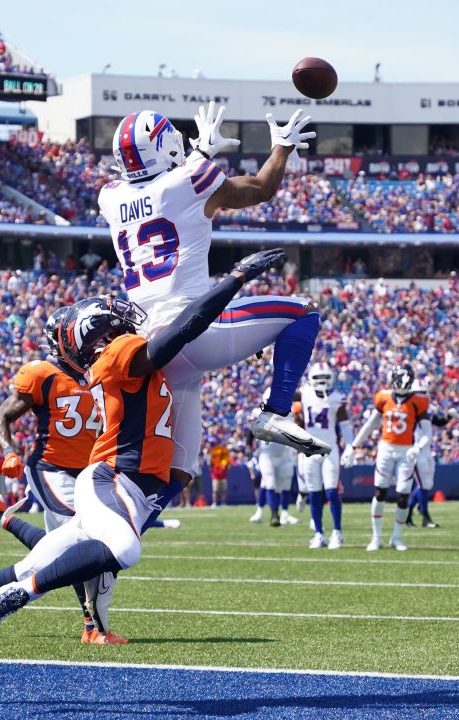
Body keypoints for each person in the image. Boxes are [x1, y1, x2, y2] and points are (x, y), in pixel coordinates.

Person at [0, 249, 287, 693]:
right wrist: (235, 279)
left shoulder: (113, 355)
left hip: (124, 485)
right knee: (124, 551)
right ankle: (26, 594)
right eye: (112, 314)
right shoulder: (119, 352)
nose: (123, 316)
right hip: (112, 479)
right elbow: (186, 328)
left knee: (25, 566)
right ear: (101, 331)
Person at [98, 102, 330, 497]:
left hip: (150, 347)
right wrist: (281, 148)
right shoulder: (187, 180)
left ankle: (114, 539)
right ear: (163, 146)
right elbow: (261, 189)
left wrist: (201, 154)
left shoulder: (110, 196)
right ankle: (274, 412)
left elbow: (168, 188)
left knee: (179, 472)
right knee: (304, 313)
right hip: (195, 329)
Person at [0, 305, 125, 644]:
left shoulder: (97, 371)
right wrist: (10, 451)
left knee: (65, 544)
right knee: (84, 539)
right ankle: (92, 626)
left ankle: (0, 517)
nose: (91, 345)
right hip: (51, 469)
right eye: (84, 338)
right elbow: (1, 416)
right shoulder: (41, 372)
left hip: (89, 472)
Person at [346, 365, 430, 551]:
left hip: (406, 451)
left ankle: (397, 537)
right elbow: (370, 424)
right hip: (386, 448)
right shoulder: (383, 398)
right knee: (380, 492)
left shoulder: (418, 400)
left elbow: (427, 433)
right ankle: (376, 538)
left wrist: (418, 447)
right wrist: (354, 446)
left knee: (403, 495)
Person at [296, 363, 351, 549]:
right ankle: (318, 533)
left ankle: (337, 532)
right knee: (314, 492)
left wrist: (351, 446)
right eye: (318, 379)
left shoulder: (337, 398)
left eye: (324, 378)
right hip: (309, 451)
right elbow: (282, 392)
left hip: (329, 449)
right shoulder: (304, 393)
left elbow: (345, 426)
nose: (321, 382)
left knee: (331, 491)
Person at [405, 380, 457, 529]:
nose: (421, 396)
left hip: (426, 448)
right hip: (415, 449)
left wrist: (448, 418)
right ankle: (425, 516)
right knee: (423, 483)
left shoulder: (427, 408)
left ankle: (408, 511)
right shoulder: (407, 409)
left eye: (423, 393)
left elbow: (437, 422)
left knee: (427, 483)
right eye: (418, 393)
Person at [208, 444, 231, 508]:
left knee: (224, 490)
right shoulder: (213, 458)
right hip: (215, 476)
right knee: (215, 490)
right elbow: (210, 466)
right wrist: (213, 473)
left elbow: (228, 466)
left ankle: (223, 503)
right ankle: (214, 503)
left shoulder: (225, 459)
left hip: (223, 476)